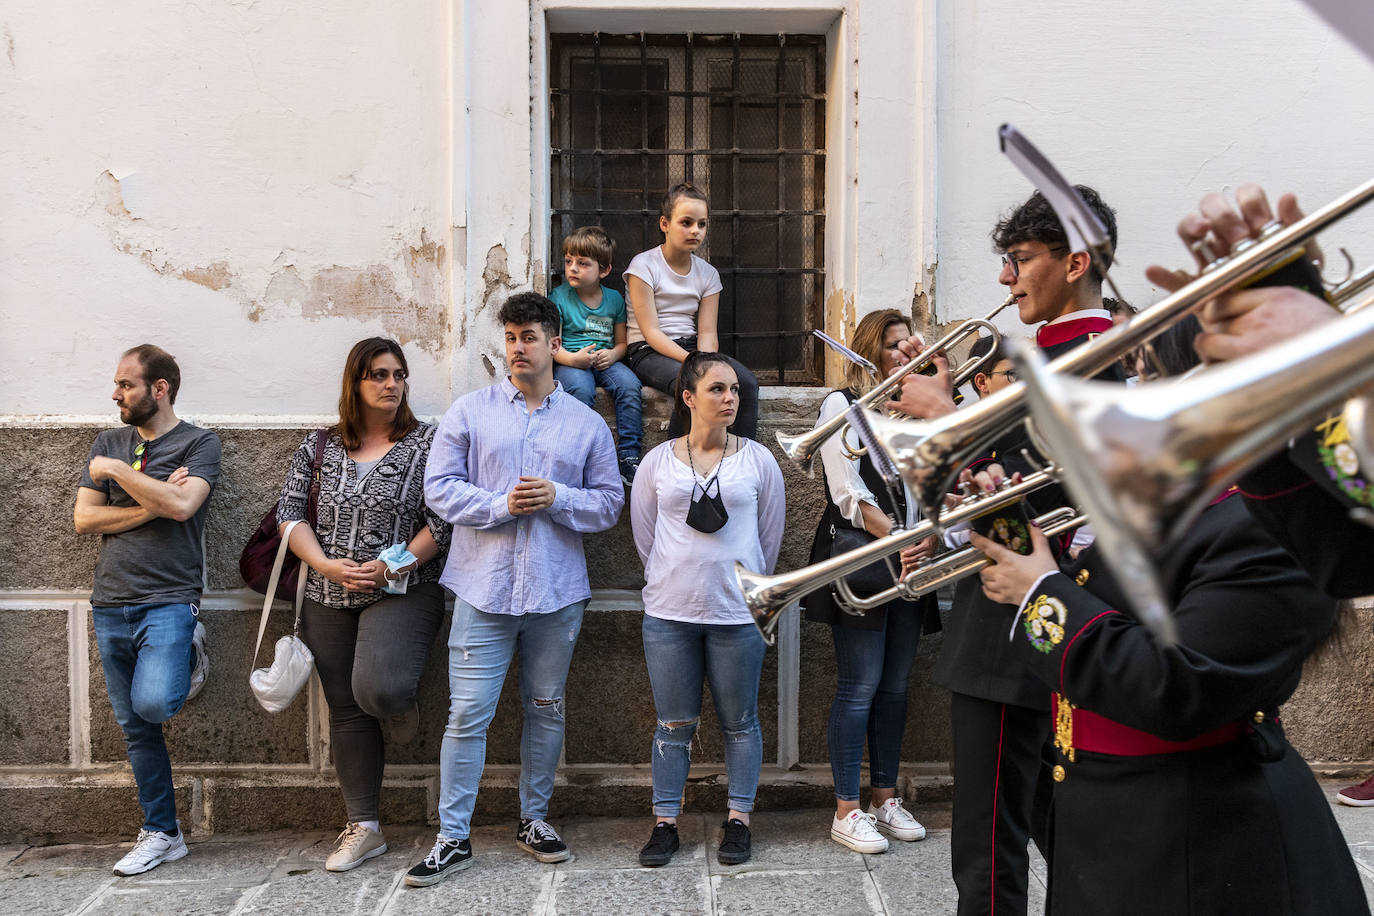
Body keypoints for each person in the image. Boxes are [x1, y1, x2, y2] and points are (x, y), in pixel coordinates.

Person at [965, 318, 1370, 915]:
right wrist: (1008, 524)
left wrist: (1040, 594)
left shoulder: (1265, 522)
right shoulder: (1178, 502)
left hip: (1201, 842)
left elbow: (1179, 686)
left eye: (1148, 376)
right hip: (1118, 818)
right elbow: (1111, 604)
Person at [407, 292, 624, 887]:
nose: (518, 348)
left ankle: (534, 819)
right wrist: (500, 505)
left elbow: (609, 503)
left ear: (554, 343)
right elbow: (439, 490)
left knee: (546, 707)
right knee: (467, 714)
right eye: (510, 338)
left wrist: (559, 498)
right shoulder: (470, 412)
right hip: (483, 588)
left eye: (529, 336)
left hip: (557, 593)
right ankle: (453, 836)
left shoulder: (585, 424)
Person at [275, 337, 451, 872]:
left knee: (379, 688)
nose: (391, 384)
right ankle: (364, 826)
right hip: (327, 591)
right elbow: (288, 513)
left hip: (403, 588)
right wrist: (326, 564)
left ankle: (395, 702)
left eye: (399, 375)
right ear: (355, 382)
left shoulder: (428, 442)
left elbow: (443, 519)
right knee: (346, 708)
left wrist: (394, 565)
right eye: (378, 374)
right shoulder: (320, 446)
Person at [630, 351, 785, 868]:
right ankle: (665, 823)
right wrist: (673, 577)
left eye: (736, 390)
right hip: (669, 615)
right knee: (672, 724)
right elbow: (645, 536)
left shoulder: (758, 460)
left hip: (737, 615)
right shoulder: (657, 461)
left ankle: (739, 820)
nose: (730, 398)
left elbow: (769, 537)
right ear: (688, 397)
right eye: (718, 389)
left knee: (740, 722)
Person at [73, 344, 220, 876]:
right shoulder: (109, 438)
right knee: (137, 729)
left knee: (155, 703)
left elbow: (184, 506)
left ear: (160, 389)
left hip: (169, 598)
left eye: (127, 385)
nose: (116, 394)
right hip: (110, 600)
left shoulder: (200, 443)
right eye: (117, 384)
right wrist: (151, 501)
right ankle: (164, 832)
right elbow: (85, 520)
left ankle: (189, 651)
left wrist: (117, 474)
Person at [800, 309, 935, 854]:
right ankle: (846, 809)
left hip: (911, 554)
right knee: (859, 684)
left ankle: (885, 797)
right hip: (863, 554)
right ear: (869, 350)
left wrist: (923, 539)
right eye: (894, 346)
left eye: (910, 346)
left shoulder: (914, 407)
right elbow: (848, 493)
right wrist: (900, 537)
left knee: (896, 686)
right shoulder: (843, 405)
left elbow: (932, 477)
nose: (904, 353)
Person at [624, 183, 761, 440]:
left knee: (747, 384)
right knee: (690, 386)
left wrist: (706, 361)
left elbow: (707, 332)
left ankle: (742, 460)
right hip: (648, 350)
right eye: (686, 223)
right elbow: (651, 331)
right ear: (664, 224)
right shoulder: (643, 266)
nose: (695, 231)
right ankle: (677, 465)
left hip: (693, 350)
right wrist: (693, 363)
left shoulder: (708, 274)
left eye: (702, 224)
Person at [551, 226, 644, 484]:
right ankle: (577, 456)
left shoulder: (614, 299)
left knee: (629, 385)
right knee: (580, 391)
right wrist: (572, 360)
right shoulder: (559, 297)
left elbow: (622, 343)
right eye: (569, 261)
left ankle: (629, 455)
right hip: (573, 361)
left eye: (582, 263)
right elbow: (552, 345)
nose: (572, 268)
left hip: (606, 361)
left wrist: (613, 356)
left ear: (603, 270)